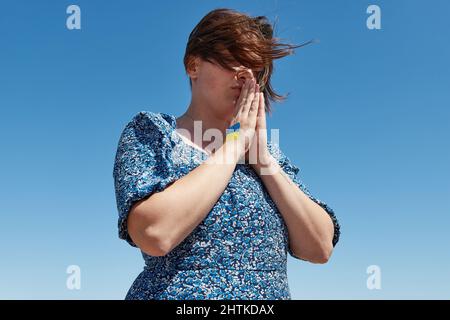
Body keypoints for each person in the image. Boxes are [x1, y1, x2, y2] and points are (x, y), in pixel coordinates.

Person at [113, 8, 340, 300]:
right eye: (233, 60)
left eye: (255, 67)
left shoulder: (268, 158)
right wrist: (234, 143)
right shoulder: (153, 132)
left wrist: (264, 162)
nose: (245, 76)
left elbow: (320, 247)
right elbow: (154, 233)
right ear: (193, 65)